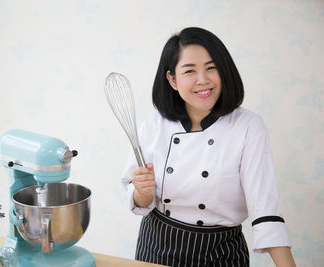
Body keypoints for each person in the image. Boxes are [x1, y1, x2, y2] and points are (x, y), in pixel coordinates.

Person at [121, 27, 296, 267]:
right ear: (172, 79)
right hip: (157, 249)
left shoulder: (248, 127)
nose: (203, 80)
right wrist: (142, 191)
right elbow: (139, 199)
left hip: (220, 254)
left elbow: (264, 209)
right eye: (190, 70)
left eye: (211, 68)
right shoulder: (154, 125)